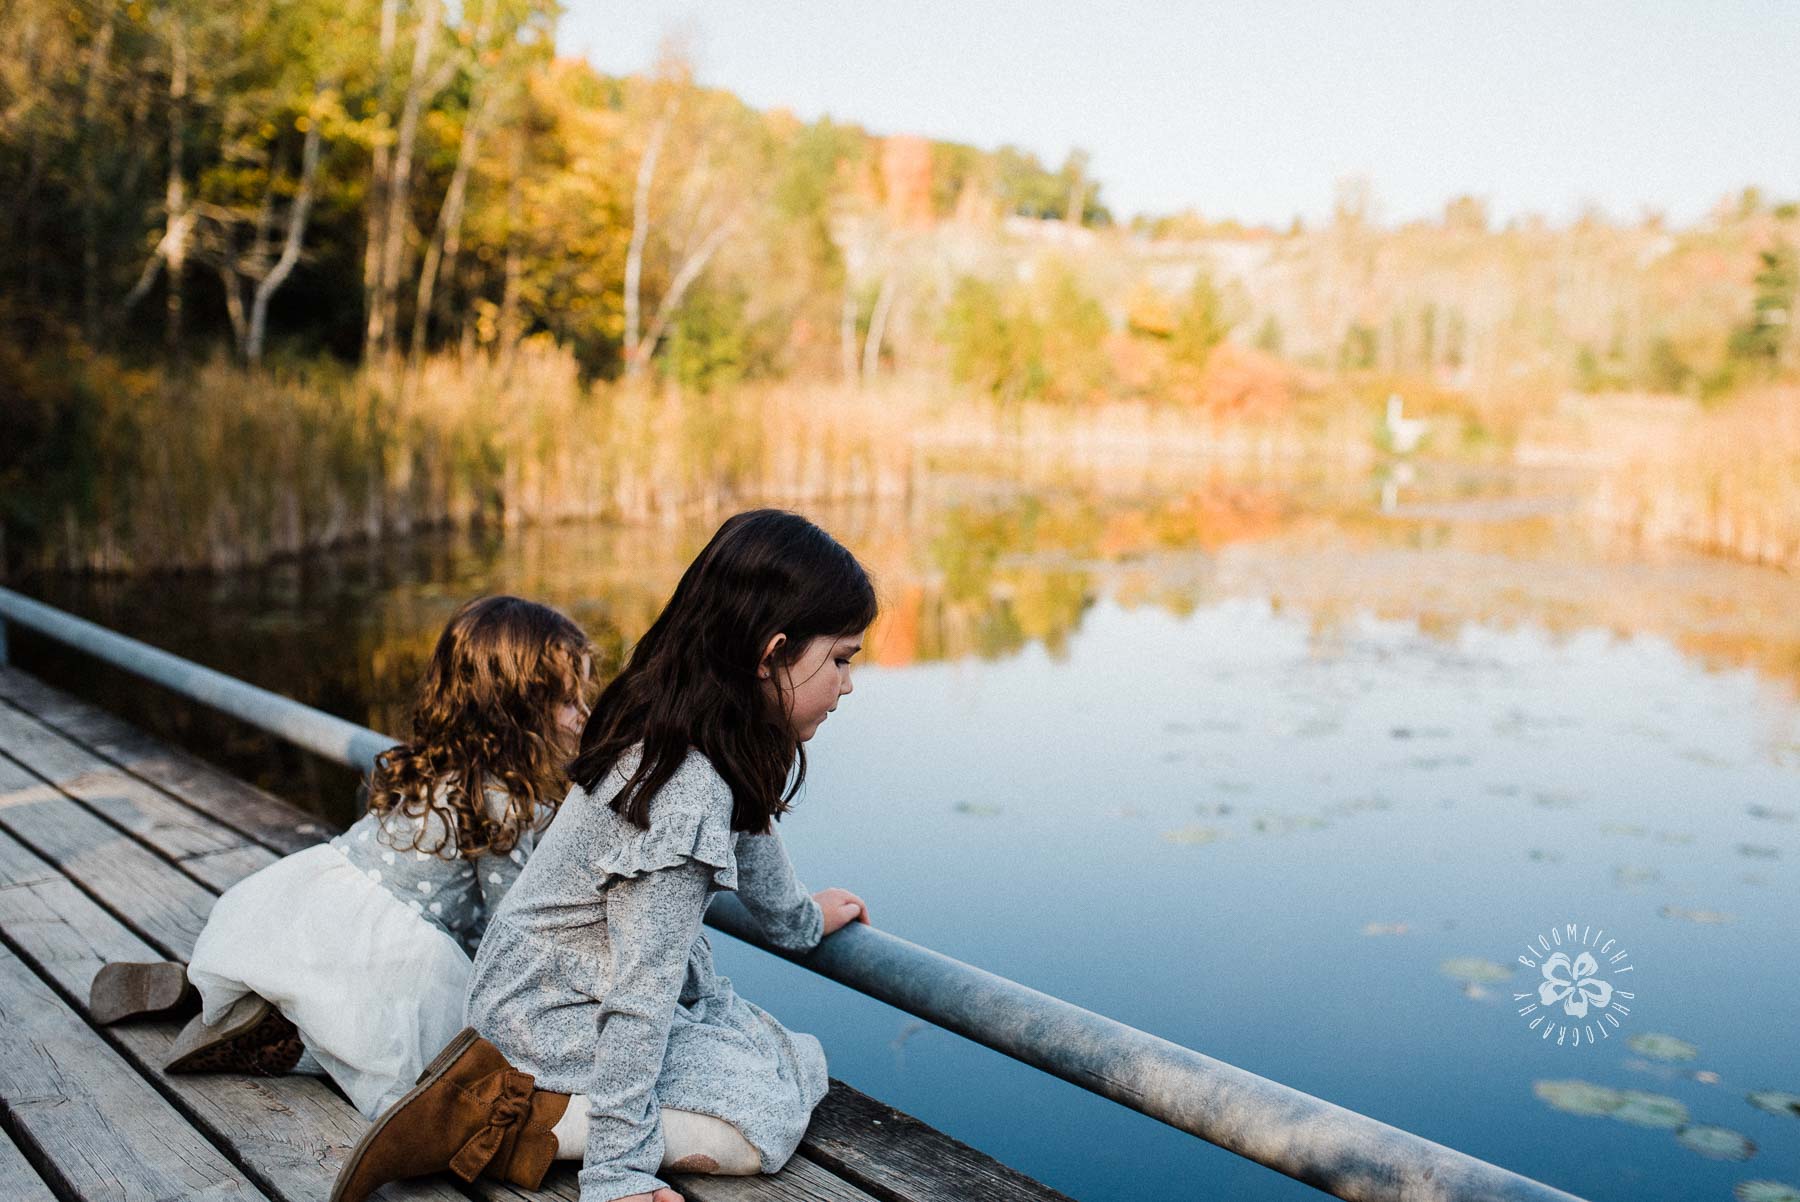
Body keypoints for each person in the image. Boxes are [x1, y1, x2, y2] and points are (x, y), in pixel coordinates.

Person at [329, 509, 876, 1202]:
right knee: (759, 1124)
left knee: (782, 1062)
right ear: (770, 654)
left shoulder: (705, 729)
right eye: (841, 660)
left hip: (558, 986)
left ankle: (531, 1107)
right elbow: (641, 994)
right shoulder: (684, 791)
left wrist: (799, 921)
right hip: (552, 1013)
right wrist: (618, 1173)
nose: (848, 684)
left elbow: (756, 845)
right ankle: (513, 1122)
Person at [88, 594, 593, 1120]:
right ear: (515, 711)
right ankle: (278, 1032)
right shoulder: (500, 801)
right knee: (400, 1046)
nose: (583, 715)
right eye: (567, 700)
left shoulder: (434, 763)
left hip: (318, 902)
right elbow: (509, 931)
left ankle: (222, 992)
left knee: (319, 985)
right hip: (390, 953)